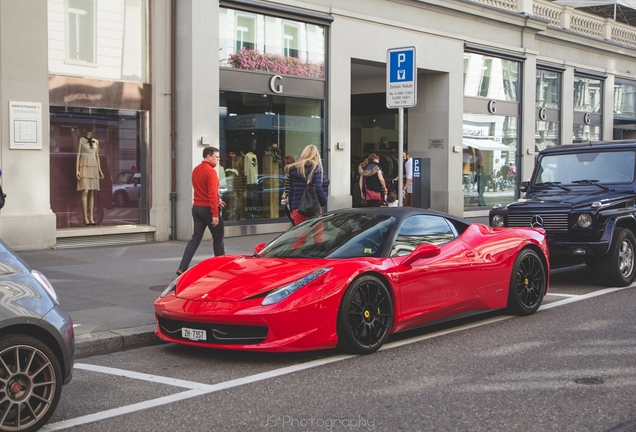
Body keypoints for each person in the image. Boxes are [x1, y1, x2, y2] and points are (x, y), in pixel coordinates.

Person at [177, 146, 226, 276]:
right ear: (208, 156)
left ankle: (182, 266)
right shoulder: (210, 172)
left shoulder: (196, 170)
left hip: (197, 208)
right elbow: (211, 194)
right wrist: (215, 214)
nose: (218, 160)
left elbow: (201, 191)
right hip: (208, 209)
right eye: (216, 157)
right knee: (218, 239)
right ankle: (221, 268)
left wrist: (216, 200)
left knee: (195, 239)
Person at [286, 144, 328, 226]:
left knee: (301, 236)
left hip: (297, 208)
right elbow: (318, 188)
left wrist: (291, 209)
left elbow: (291, 191)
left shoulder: (293, 170)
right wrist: (323, 202)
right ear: (316, 155)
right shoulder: (316, 168)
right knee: (317, 236)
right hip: (313, 207)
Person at [76, 131, 104, 225]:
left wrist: (100, 170)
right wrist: (77, 169)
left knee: (92, 192)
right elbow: (78, 155)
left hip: (94, 166)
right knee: (86, 190)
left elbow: (97, 156)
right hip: (84, 166)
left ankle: (91, 218)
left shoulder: (96, 142)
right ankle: (85, 218)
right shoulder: (81, 140)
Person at [282, 154, 296, 224]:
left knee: (289, 212)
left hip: (290, 197)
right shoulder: (292, 172)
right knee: (287, 211)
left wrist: (287, 196)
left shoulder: (292, 173)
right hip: (289, 196)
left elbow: (290, 186)